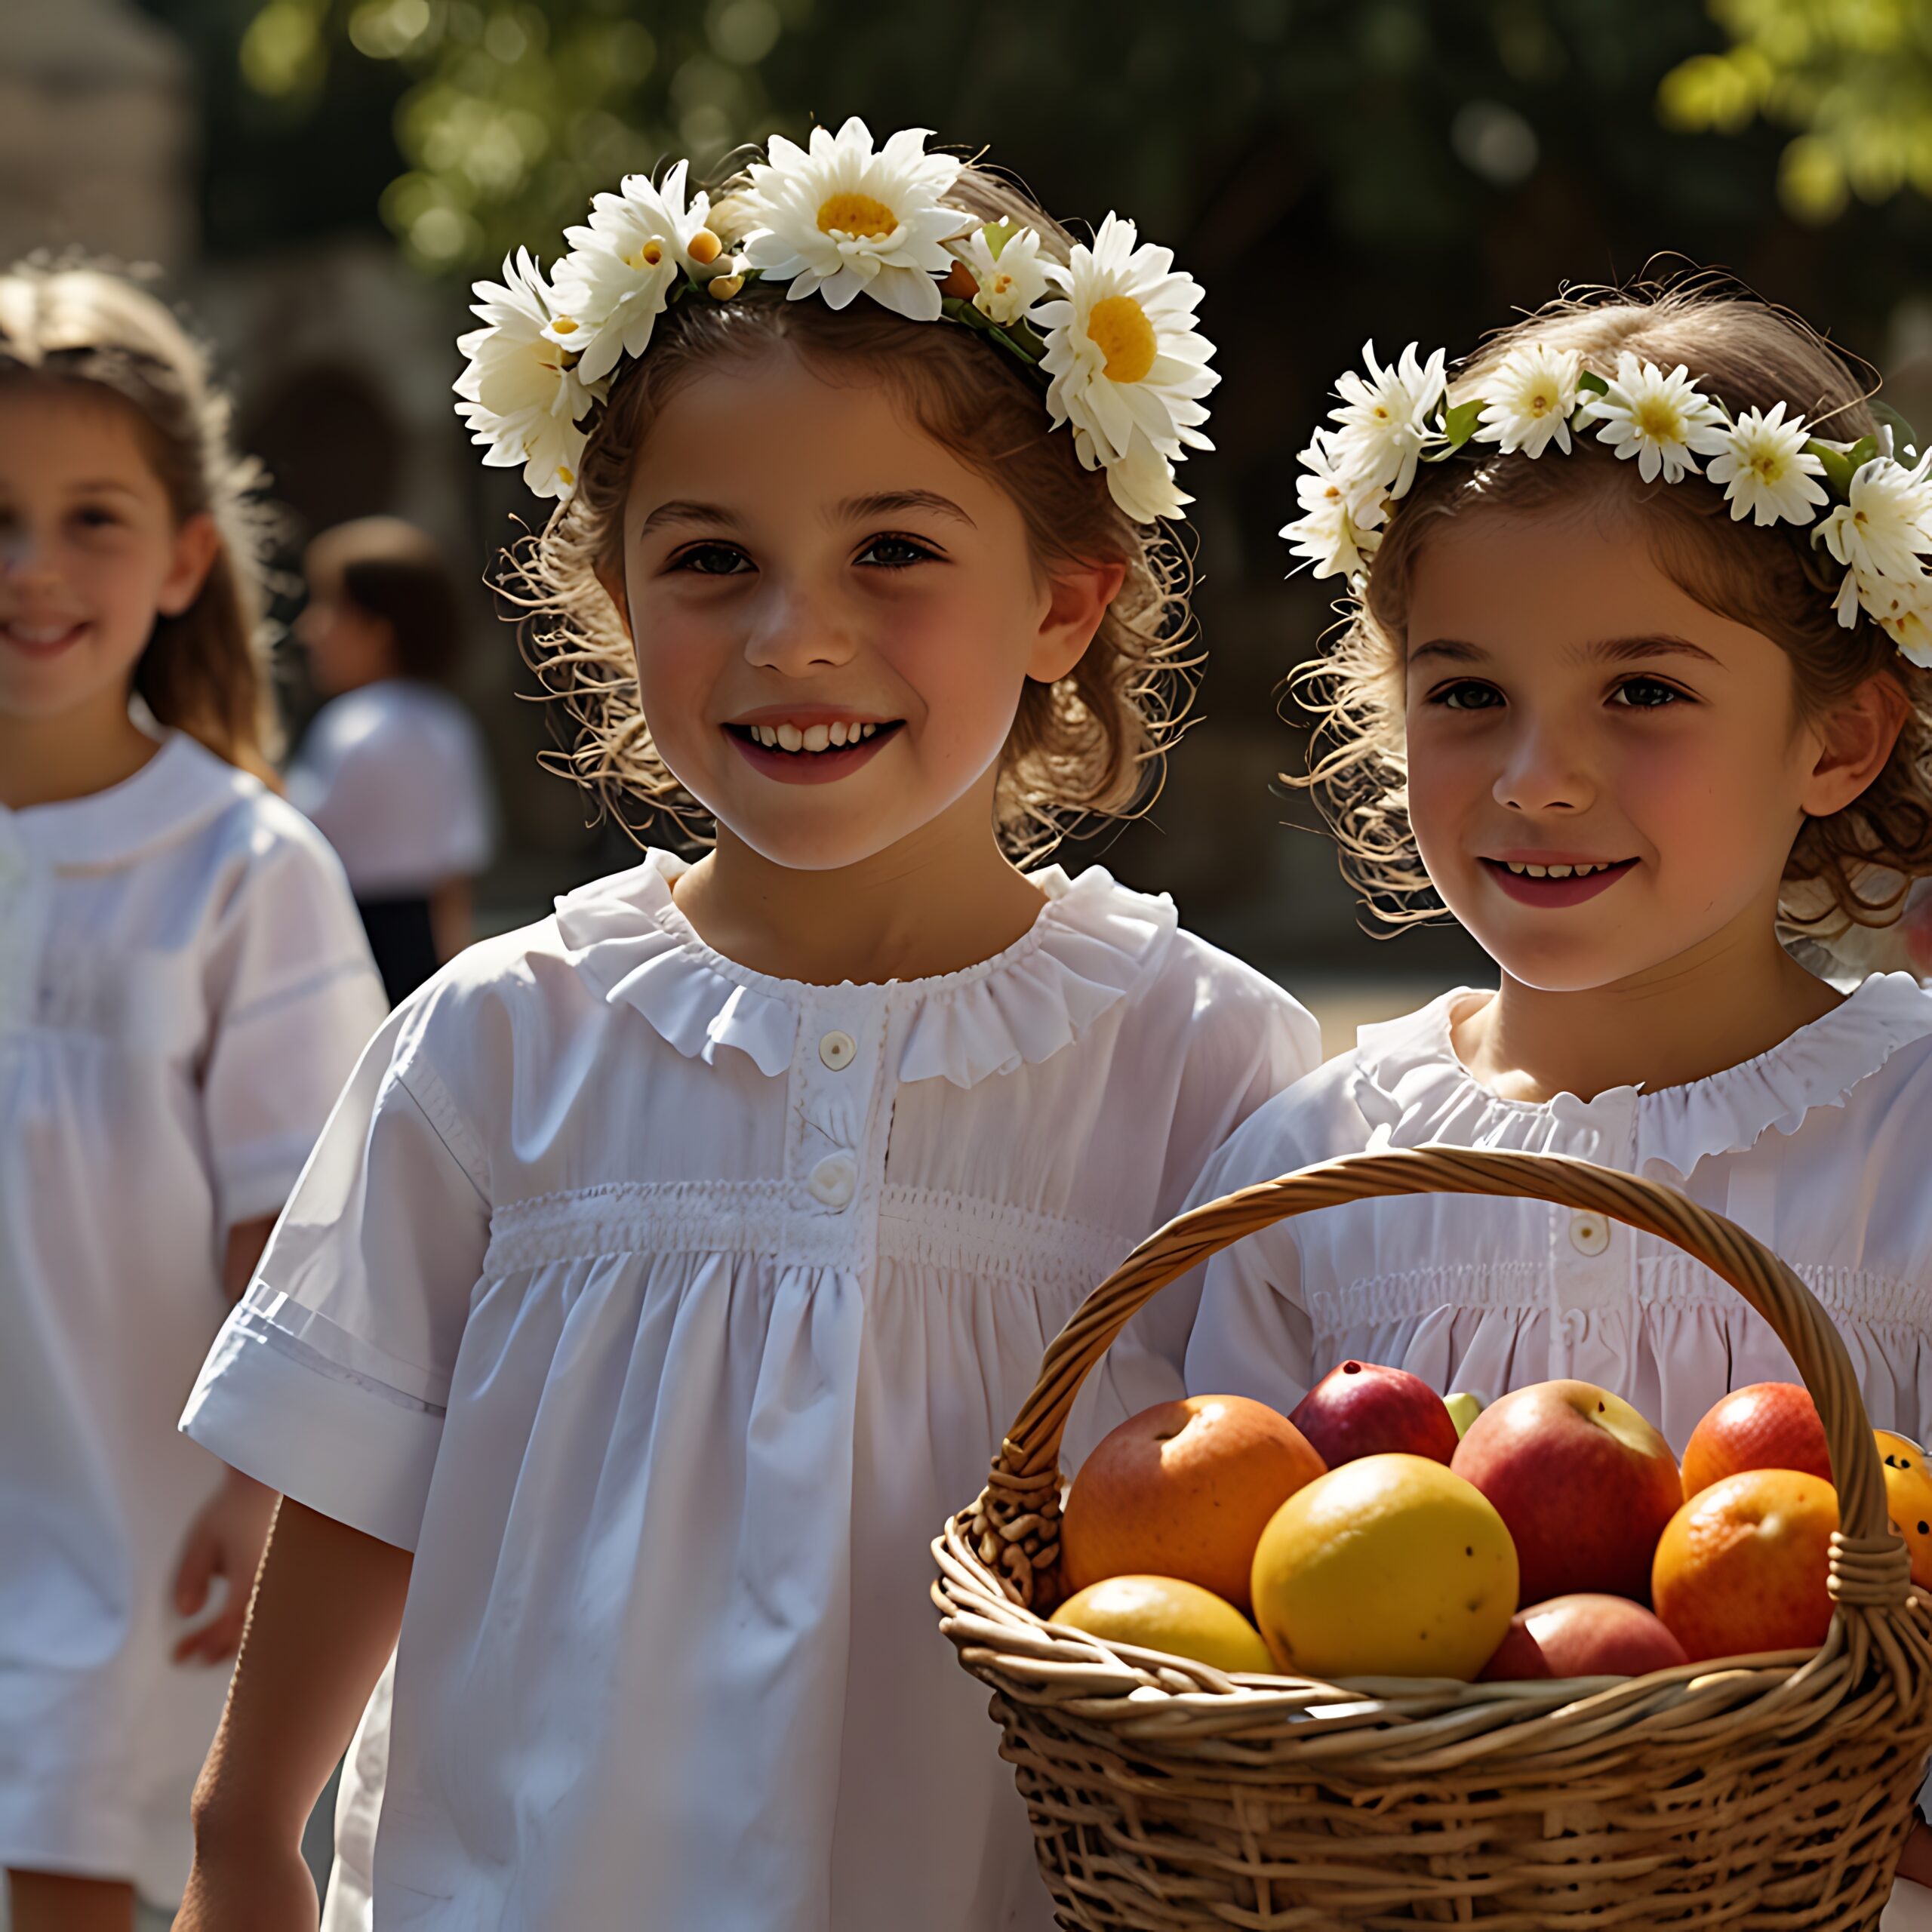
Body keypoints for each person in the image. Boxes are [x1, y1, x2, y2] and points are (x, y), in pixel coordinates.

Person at [172, 122, 1321, 1932]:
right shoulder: (499, 1043)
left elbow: (1279, 1563)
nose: (794, 635)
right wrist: (244, 1835)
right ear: (614, 591)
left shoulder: (1207, 1068)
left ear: (1060, 599)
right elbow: (358, 1472)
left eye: (892, 549)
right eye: (712, 557)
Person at [1183, 279, 1932, 1904]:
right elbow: (1202, 1600)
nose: (1535, 775)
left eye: (1642, 692)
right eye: (1466, 693)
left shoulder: (1911, 1137)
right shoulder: (1314, 1166)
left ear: (1839, 739)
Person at [0, 263, 386, 1932]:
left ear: (180, 557)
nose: (32, 565)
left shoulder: (242, 868)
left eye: (90, 518)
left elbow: (297, 1221)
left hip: (136, 1532)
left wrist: (260, 1486)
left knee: (71, 1879)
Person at [287, 517, 496, 1004]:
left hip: (351, 939)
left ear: (377, 631)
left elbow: (298, 839)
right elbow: (455, 873)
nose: (309, 629)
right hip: (422, 943)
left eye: (329, 608)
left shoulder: (352, 725)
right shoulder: (448, 723)